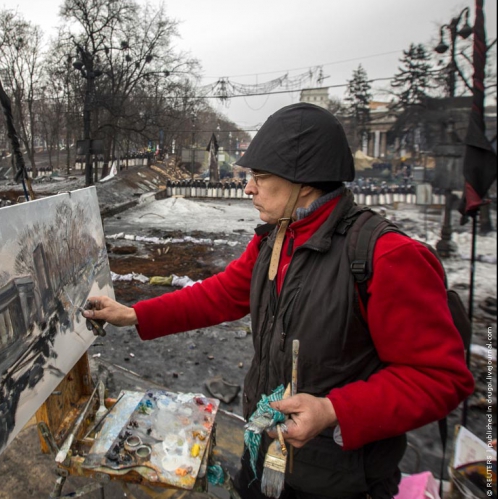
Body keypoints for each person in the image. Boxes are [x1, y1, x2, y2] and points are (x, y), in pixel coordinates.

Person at [83, 103, 473, 499]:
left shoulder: (385, 256)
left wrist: (335, 411)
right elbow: (221, 294)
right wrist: (134, 314)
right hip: (264, 454)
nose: (247, 187)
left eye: (260, 177)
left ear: (304, 182)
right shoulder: (276, 237)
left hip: (339, 482)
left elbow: (440, 378)